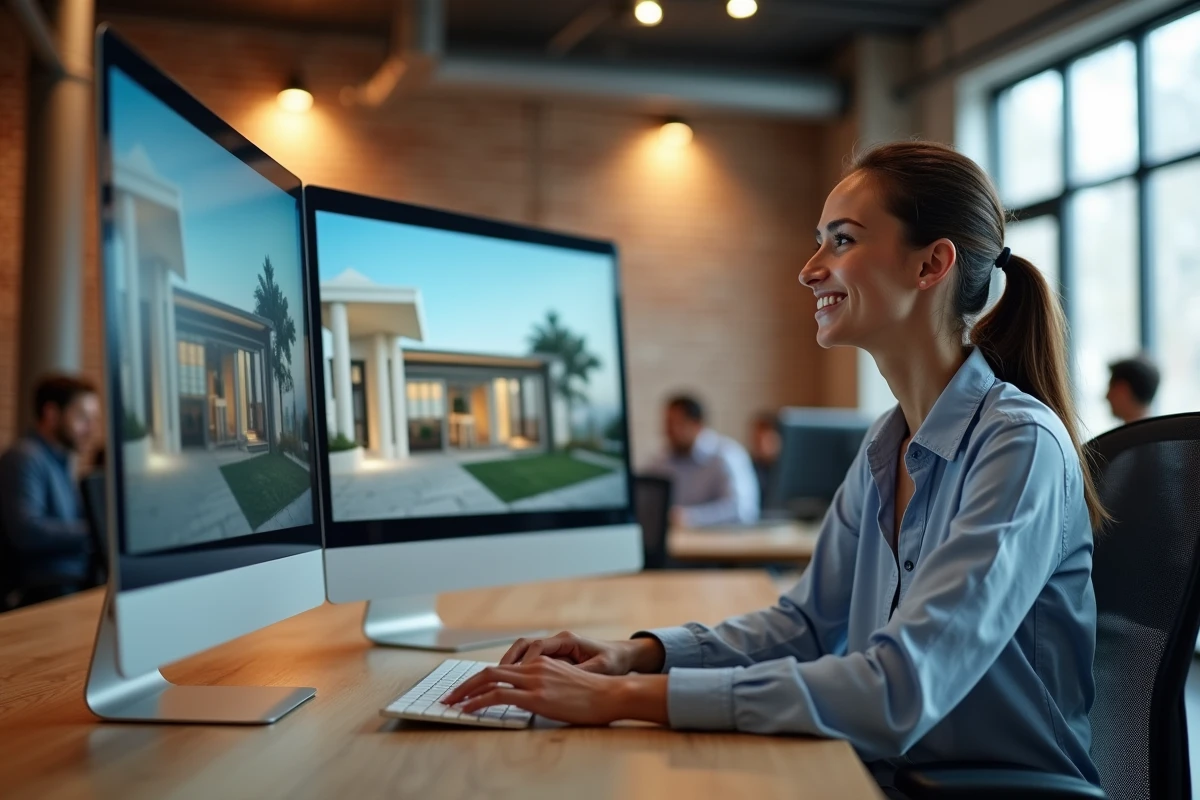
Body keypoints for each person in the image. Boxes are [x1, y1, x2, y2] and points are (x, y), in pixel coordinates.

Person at [445, 141, 1105, 793]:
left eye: (841, 241)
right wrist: (632, 654)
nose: (809, 269)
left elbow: (901, 688)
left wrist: (628, 695)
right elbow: (808, 626)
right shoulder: (887, 442)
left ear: (930, 264)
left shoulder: (1019, 447)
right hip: (883, 773)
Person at [0, 374, 101, 605]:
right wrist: (95, 534)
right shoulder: (24, 458)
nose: (91, 429)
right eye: (82, 418)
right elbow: (26, 531)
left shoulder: (61, 462)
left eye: (94, 419)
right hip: (45, 591)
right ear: (52, 414)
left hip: (72, 582)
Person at [644, 394, 759, 528]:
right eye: (667, 424)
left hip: (720, 545)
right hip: (679, 545)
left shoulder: (726, 456)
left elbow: (743, 510)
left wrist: (690, 517)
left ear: (697, 425)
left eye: (675, 424)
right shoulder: (661, 460)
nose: (668, 432)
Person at [1106, 355, 1159, 425]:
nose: (1107, 396)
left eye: (1111, 388)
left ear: (1123, 390)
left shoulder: (1121, 435)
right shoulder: (1160, 433)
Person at [747, 411, 781, 509]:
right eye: (756, 439)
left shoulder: (787, 470)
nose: (760, 445)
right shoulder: (748, 467)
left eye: (765, 440)